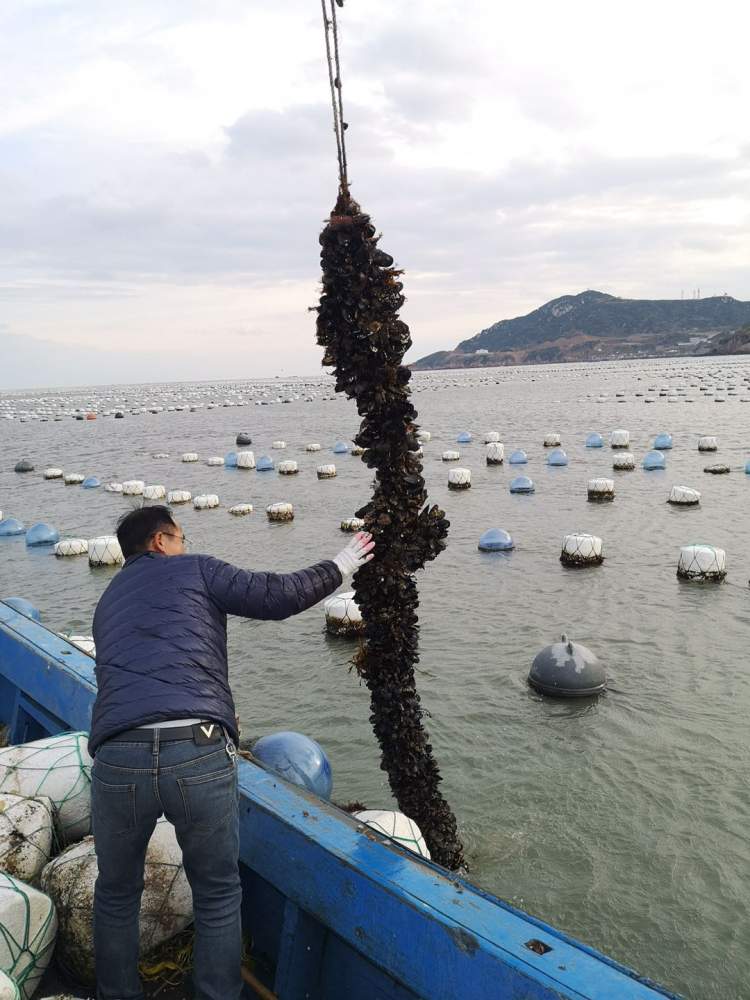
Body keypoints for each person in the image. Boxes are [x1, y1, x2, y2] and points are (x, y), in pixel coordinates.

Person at [88, 505, 374, 1000]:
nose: (183, 544)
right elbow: (276, 596)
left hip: (117, 759)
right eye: (179, 536)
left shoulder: (108, 600)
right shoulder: (195, 567)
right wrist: (344, 562)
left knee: (115, 894)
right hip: (195, 752)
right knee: (217, 893)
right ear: (160, 541)